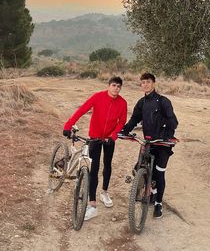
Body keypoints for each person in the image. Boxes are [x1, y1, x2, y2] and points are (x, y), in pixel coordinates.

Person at [63, 76, 127, 221]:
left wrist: (114, 136)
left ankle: (104, 192)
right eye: (114, 85)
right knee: (94, 168)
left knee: (108, 165)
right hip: (95, 137)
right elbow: (82, 110)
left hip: (109, 139)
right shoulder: (98, 97)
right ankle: (92, 204)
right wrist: (68, 125)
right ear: (109, 86)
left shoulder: (122, 103)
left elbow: (122, 121)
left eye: (119, 86)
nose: (116, 88)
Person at [121, 72, 178, 218]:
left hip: (163, 144)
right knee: (141, 167)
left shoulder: (164, 101)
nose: (145, 85)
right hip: (148, 142)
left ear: (153, 83)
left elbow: (174, 122)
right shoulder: (142, 102)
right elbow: (134, 119)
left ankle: (158, 203)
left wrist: (165, 133)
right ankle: (150, 191)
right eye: (142, 82)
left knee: (159, 174)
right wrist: (124, 131)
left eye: (147, 82)